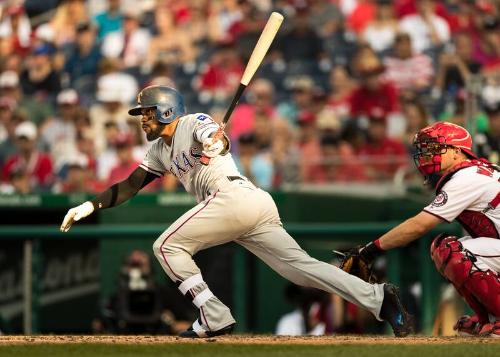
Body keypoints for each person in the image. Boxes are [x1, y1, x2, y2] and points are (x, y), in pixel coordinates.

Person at [60, 85, 412, 338]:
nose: (142, 119)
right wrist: (89, 204)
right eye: (141, 113)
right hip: (245, 205)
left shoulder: (191, 122)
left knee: (166, 247)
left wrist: (217, 139)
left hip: (234, 197)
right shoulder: (158, 151)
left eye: (147, 112)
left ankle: (213, 314)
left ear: (167, 110)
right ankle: (379, 298)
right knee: (304, 271)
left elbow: (213, 132)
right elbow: (130, 185)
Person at [351, 122, 500, 337]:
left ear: (458, 152)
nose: (427, 155)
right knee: (442, 247)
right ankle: (489, 320)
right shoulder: (474, 172)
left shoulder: (467, 177)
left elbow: (419, 225)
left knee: (454, 252)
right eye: (425, 150)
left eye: (435, 149)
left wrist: (370, 250)